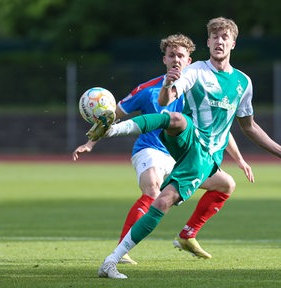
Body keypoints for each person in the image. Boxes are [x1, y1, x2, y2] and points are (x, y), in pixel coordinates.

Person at [89, 17, 281, 279]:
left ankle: (114, 259)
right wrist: (168, 83)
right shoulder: (196, 71)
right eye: (214, 36)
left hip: (204, 157)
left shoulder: (243, 83)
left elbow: (249, 127)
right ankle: (111, 130)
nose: (219, 41)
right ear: (208, 42)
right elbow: (166, 100)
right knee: (176, 119)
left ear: (233, 43)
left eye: (224, 37)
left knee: (168, 199)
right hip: (187, 139)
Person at [73, 34, 254, 265]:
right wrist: (90, 143)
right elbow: (111, 117)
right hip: (150, 151)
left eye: (181, 56)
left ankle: (188, 234)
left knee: (226, 184)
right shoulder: (147, 89)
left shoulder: (198, 87)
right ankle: (122, 249)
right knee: (153, 190)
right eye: (172, 56)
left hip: (183, 156)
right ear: (164, 60)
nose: (176, 60)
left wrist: (239, 160)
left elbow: (219, 129)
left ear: (189, 61)